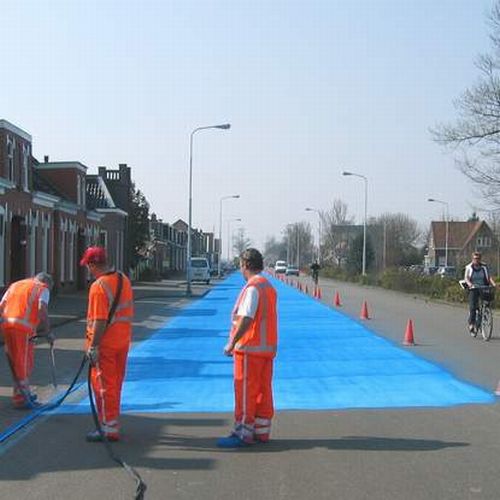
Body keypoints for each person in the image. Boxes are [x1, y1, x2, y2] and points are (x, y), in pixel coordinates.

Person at [217, 248, 278, 448]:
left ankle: (243, 433)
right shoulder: (268, 286)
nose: (241, 270)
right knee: (262, 391)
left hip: (249, 349)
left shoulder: (253, 288)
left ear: (246, 265)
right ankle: (261, 431)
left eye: (241, 266)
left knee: (245, 391)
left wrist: (232, 342)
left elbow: (247, 318)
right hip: (266, 350)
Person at [80, 246, 134, 442]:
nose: (87, 269)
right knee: (116, 384)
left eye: (88, 266)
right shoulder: (123, 280)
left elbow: (100, 321)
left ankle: (109, 427)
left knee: (104, 386)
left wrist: (93, 346)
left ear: (93, 264)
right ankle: (111, 421)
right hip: (123, 341)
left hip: (106, 345)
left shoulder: (98, 287)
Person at [0, 272, 53, 409]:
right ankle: (21, 399)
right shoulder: (43, 288)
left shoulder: (15, 285)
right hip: (23, 329)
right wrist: (47, 332)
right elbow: (42, 310)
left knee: (14, 362)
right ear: (47, 283)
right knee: (23, 363)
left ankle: (22, 393)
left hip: (6, 325)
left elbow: (2, 305)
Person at [464, 251, 496, 333]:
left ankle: (483, 317)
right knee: (473, 307)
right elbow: (466, 278)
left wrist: (493, 284)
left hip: (483, 287)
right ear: (472, 259)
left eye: (478, 259)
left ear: (480, 259)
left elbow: (488, 277)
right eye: (475, 258)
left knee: (486, 303)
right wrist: (470, 284)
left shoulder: (484, 267)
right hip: (473, 288)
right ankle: (471, 324)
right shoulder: (469, 267)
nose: (476, 260)